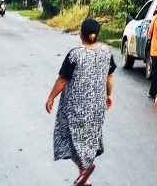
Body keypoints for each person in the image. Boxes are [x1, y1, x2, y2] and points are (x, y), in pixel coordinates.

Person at [45, 18, 115, 186]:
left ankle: (84, 170)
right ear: (97, 35)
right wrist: (109, 95)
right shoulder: (107, 52)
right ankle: (84, 173)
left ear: (80, 34)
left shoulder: (75, 54)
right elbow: (109, 76)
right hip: (97, 107)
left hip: (74, 108)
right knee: (88, 140)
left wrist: (50, 97)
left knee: (69, 138)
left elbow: (62, 80)